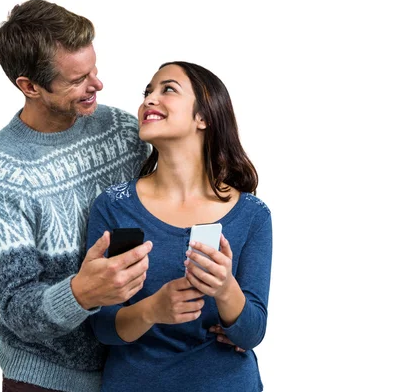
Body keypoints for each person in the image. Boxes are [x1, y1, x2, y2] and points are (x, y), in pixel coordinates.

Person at [0, 0, 153, 392]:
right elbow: (18, 309)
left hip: (133, 369)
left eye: (95, 70)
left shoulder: (124, 132)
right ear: (29, 86)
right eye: (77, 80)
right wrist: (81, 292)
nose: (97, 85)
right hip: (46, 380)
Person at [87, 61, 273, 392]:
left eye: (167, 89)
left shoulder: (252, 214)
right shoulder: (114, 207)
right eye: (147, 93)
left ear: (204, 117)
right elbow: (103, 327)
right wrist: (152, 310)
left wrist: (225, 288)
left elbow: (251, 334)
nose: (149, 100)